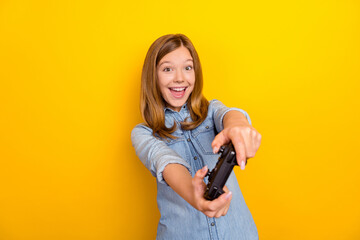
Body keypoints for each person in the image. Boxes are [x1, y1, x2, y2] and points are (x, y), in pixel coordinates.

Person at [131, 34, 261, 240]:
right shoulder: (144, 134)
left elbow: (229, 115)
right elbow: (165, 161)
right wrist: (194, 194)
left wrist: (238, 126)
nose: (180, 78)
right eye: (167, 69)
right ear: (152, 76)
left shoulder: (211, 111)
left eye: (187, 67)